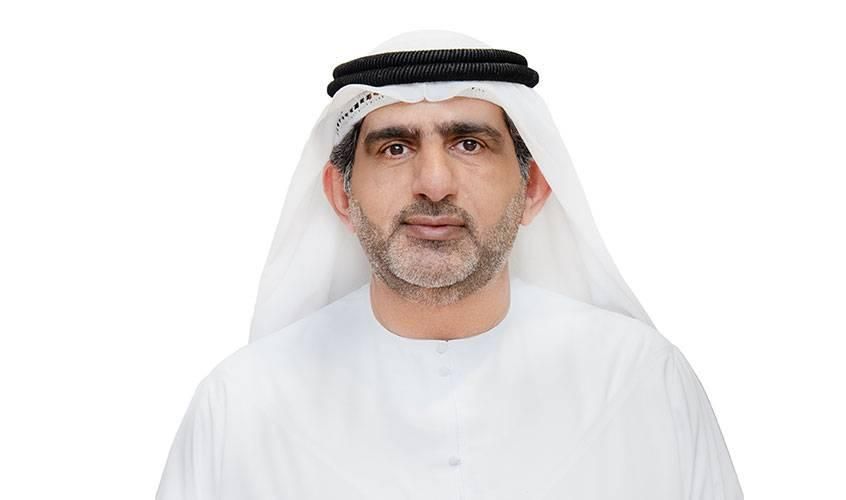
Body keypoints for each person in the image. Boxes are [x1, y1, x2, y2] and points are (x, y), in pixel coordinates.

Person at [156, 30, 744, 500]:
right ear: (341, 195)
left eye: (469, 144)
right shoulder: (241, 405)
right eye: (395, 148)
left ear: (533, 188)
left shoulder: (643, 383)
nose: (434, 183)